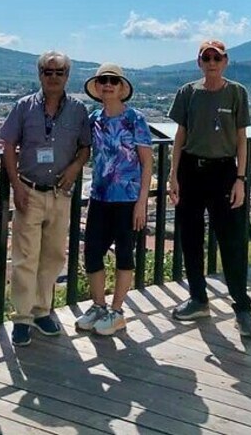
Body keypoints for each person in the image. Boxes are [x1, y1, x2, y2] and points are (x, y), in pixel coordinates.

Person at [167, 39, 251, 338]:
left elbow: (242, 138)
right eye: (206, 57)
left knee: (232, 240)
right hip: (191, 170)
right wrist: (173, 175)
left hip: (224, 172)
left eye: (216, 57)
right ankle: (198, 298)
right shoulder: (187, 93)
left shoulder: (237, 93)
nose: (211, 62)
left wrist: (241, 179)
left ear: (226, 61)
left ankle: (242, 308)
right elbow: (180, 135)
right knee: (191, 239)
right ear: (199, 62)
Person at [0, 51, 91, 347]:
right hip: (29, 190)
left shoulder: (78, 110)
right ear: (40, 74)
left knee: (53, 256)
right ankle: (22, 317)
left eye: (59, 72)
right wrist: (16, 186)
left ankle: (42, 311)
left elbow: (85, 148)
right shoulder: (23, 107)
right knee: (25, 257)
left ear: (67, 76)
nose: (53, 77)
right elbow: (9, 145)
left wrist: (76, 168)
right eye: (48, 72)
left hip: (60, 194)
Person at [74, 64, 153, 336]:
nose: (108, 85)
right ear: (97, 87)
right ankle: (99, 305)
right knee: (92, 251)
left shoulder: (135, 119)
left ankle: (117, 311)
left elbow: (146, 162)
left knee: (123, 253)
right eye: (103, 81)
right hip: (100, 196)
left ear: (121, 88)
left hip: (127, 199)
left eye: (113, 81)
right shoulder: (94, 118)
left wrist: (142, 201)